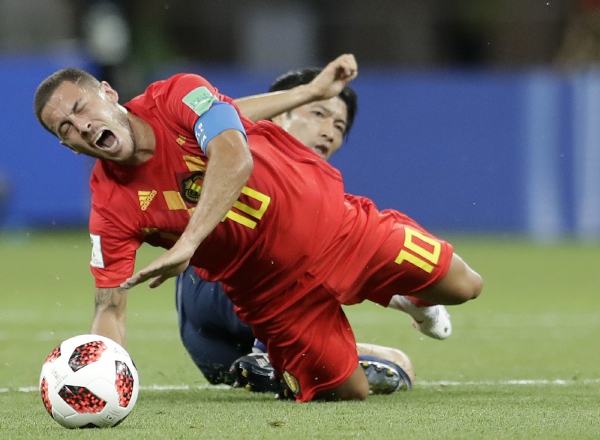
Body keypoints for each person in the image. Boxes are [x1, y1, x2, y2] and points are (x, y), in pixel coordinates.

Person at [33, 53, 483, 402]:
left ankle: (409, 296)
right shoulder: (110, 207)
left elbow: (233, 154)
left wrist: (189, 241)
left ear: (108, 93)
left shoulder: (177, 94)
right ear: (68, 147)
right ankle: (364, 357)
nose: (82, 127)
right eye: (66, 129)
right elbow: (110, 308)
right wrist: (99, 375)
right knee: (347, 394)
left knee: (466, 286)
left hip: (339, 229)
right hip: (272, 294)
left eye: (80, 107)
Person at [175, 63, 452, 396]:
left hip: (217, 352)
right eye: (318, 113)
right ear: (277, 114)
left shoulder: (321, 198)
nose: (330, 131)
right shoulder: (227, 146)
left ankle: (278, 365)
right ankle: (279, 357)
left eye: (339, 125)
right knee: (288, 255)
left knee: (400, 366)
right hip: (212, 295)